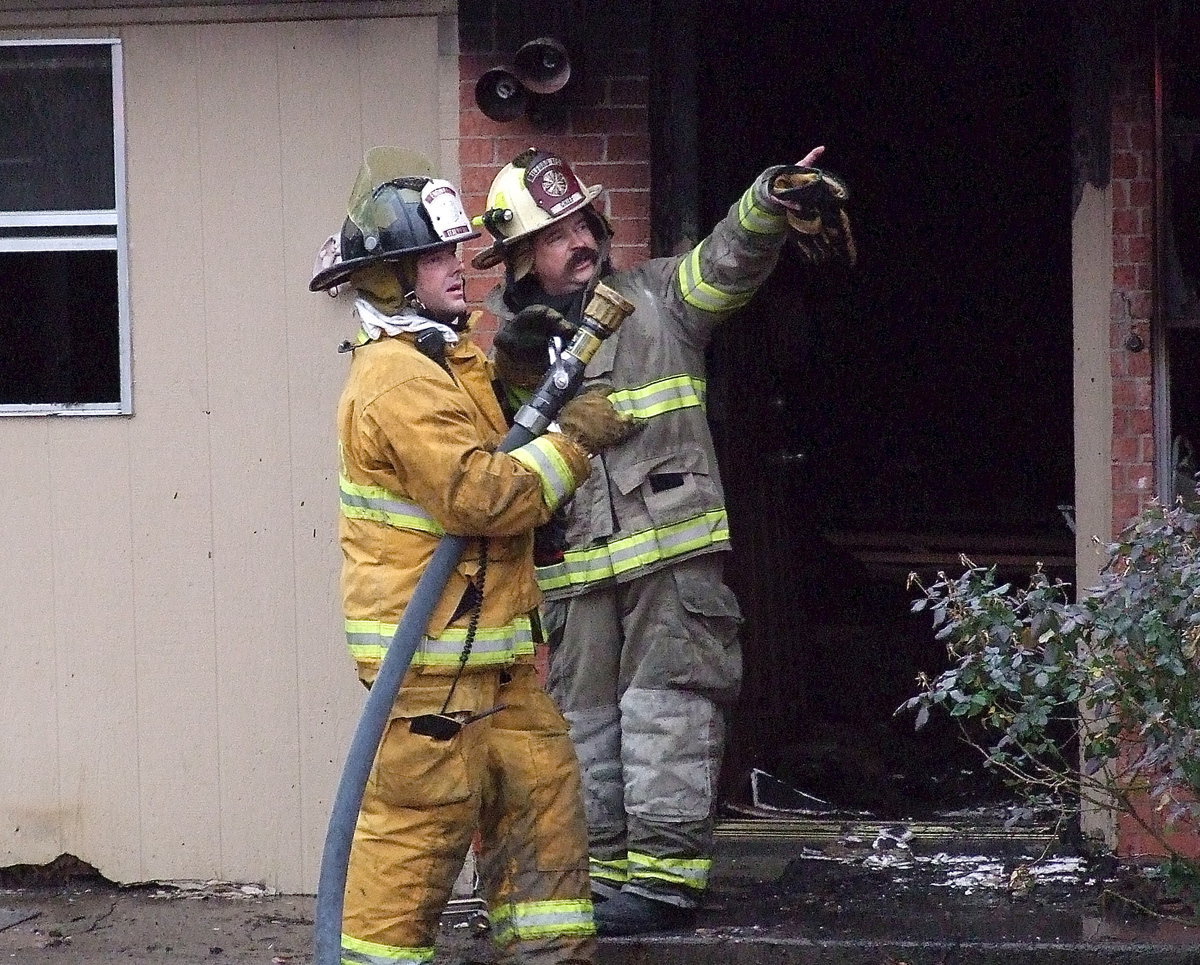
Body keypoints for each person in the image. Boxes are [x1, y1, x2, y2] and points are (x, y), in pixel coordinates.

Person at [476, 146, 854, 935]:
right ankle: (609, 877)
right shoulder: (513, 353)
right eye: (555, 233)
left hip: (671, 560)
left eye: (583, 221)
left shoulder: (657, 300)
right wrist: (511, 367)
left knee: (667, 707)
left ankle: (665, 879)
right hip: (575, 574)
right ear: (520, 260)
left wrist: (767, 199)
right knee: (583, 723)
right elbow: (492, 467)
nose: (579, 239)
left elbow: (728, 260)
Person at [309, 147, 640, 965]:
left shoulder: (448, 358)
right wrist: (573, 439)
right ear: (387, 279)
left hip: (498, 672)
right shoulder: (392, 380)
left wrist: (526, 383)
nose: (456, 266)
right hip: (427, 686)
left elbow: (504, 465)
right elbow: (486, 497)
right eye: (432, 255)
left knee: (550, 849)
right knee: (403, 878)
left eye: (454, 250)